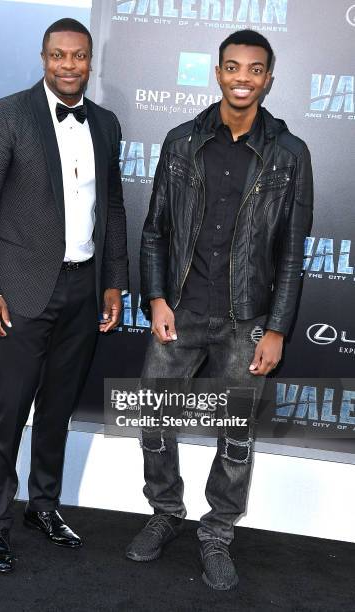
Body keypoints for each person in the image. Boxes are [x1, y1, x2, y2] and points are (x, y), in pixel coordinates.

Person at [126, 29, 313, 590]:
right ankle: (164, 513)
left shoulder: (289, 153)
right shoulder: (181, 142)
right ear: (218, 72)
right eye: (233, 67)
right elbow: (155, 229)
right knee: (153, 422)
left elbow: (291, 253)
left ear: (268, 78)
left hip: (246, 320)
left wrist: (277, 329)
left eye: (254, 69)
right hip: (179, 312)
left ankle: (217, 534)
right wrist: (157, 299)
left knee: (235, 435)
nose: (242, 78)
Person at [0, 18, 127, 573]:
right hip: (21, 288)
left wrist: (112, 281)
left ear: (90, 60)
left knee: (57, 409)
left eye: (78, 56)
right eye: (58, 56)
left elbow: (114, 209)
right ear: (43, 57)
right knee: (7, 413)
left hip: (83, 286)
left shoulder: (105, 124)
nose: (69, 66)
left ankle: (45, 507)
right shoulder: (5, 115)